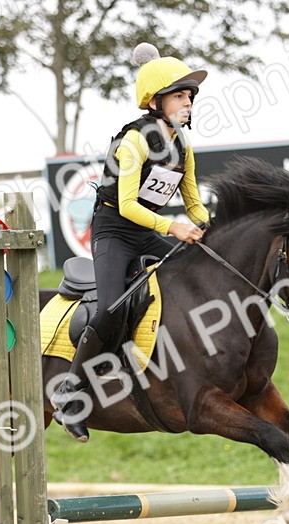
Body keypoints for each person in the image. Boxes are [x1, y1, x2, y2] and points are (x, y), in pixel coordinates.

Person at [52, 44, 211, 442]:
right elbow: (125, 205)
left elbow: (193, 203)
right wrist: (173, 229)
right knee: (109, 307)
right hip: (114, 232)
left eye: (190, 96)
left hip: (146, 232)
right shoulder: (133, 142)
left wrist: (211, 226)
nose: (187, 102)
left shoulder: (182, 146)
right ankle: (71, 394)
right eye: (179, 95)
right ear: (156, 101)